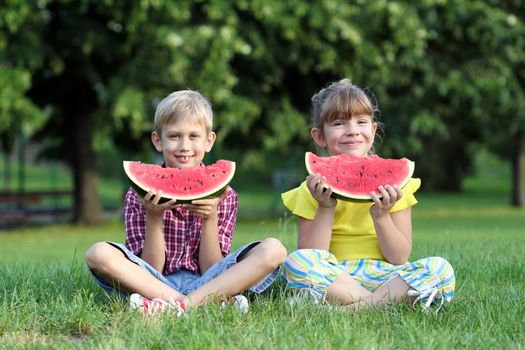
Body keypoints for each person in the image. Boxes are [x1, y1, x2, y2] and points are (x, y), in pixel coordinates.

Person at [86, 89, 287, 315]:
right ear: (157, 140)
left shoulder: (225, 195)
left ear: (209, 141)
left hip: (209, 280)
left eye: (193, 136)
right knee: (98, 253)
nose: (184, 146)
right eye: (174, 136)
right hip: (155, 283)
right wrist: (154, 217)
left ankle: (174, 306)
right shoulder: (138, 195)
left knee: (274, 249)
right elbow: (149, 269)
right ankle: (205, 304)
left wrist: (210, 217)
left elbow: (212, 268)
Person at [281, 79, 455, 313]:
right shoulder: (311, 188)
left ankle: (349, 310)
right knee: (296, 263)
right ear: (319, 136)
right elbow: (313, 253)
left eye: (361, 122)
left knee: (440, 269)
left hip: (386, 275)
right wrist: (325, 207)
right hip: (336, 277)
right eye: (339, 123)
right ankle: (381, 304)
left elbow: (399, 257)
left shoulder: (397, 186)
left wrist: (381, 216)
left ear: (373, 131)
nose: (352, 130)